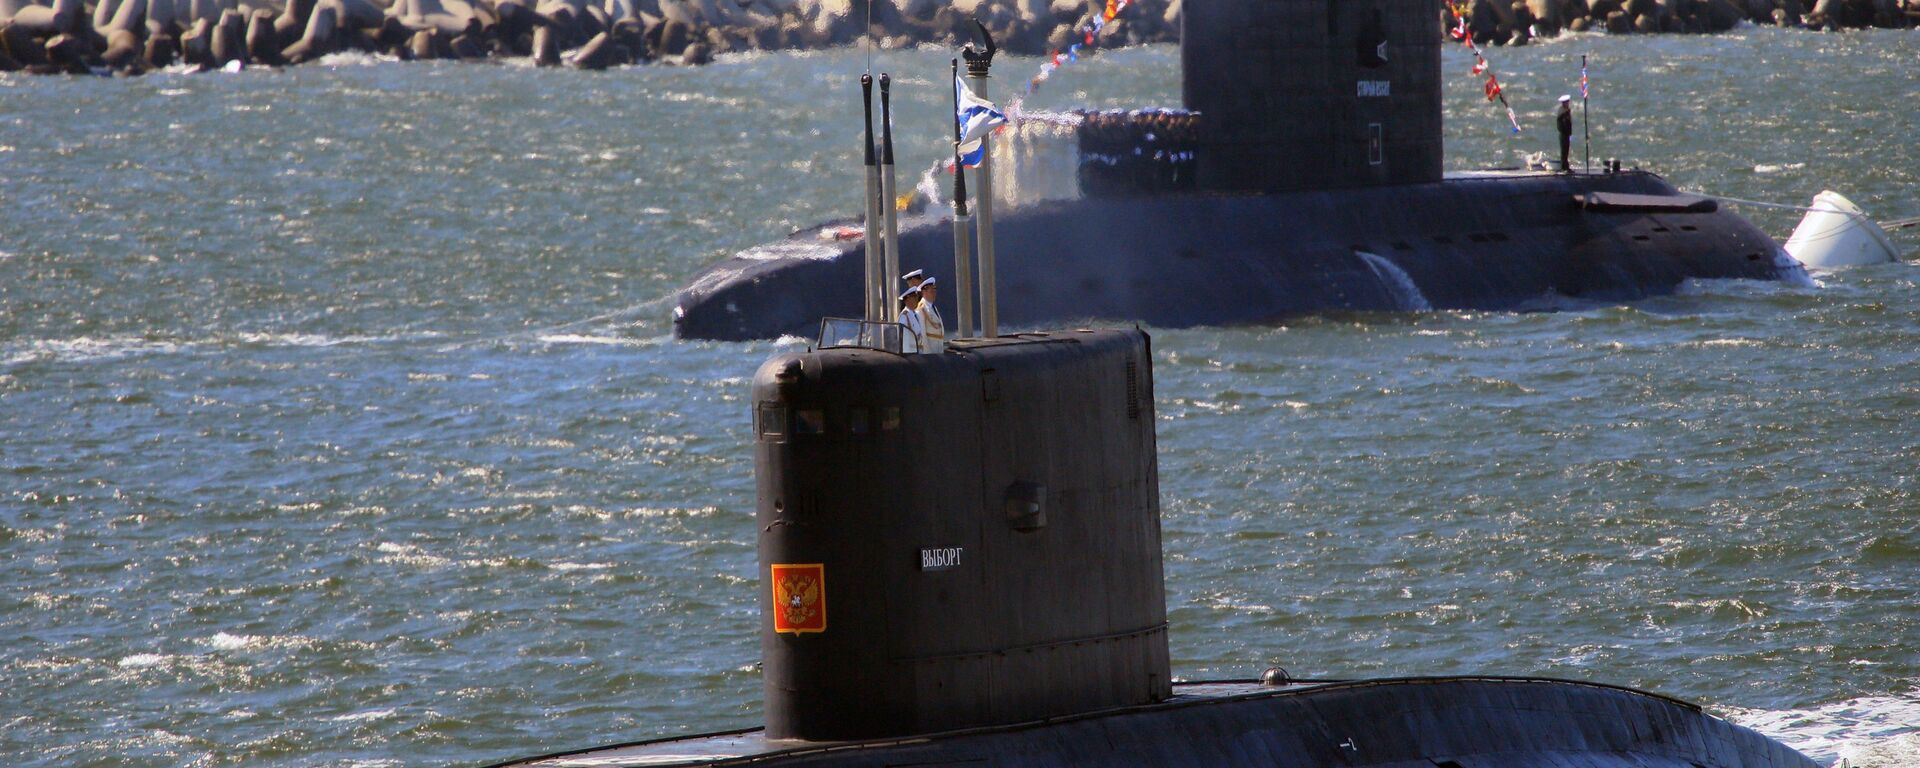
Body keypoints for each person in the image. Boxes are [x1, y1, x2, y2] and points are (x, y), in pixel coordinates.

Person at [917, 277, 946, 353]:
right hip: (930, 351)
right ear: (924, 292)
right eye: (931, 291)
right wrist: (927, 353)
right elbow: (922, 333)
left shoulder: (933, 307)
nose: (934, 294)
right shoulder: (921, 308)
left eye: (935, 291)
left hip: (938, 348)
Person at [897, 285, 926, 353]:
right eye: (914, 298)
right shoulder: (904, 316)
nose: (916, 300)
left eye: (917, 298)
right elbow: (903, 338)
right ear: (907, 300)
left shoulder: (916, 314)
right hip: (910, 353)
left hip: (919, 352)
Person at [1555, 94, 1573, 173]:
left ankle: (1566, 166)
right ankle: (1564, 167)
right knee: (1564, 151)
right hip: (1563, 134)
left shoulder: (1564, 110)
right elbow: (1564, 124)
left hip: (1566, 134)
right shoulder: (1563, 112)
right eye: (1567, 102)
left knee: (1566, 150)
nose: (1568, 103)